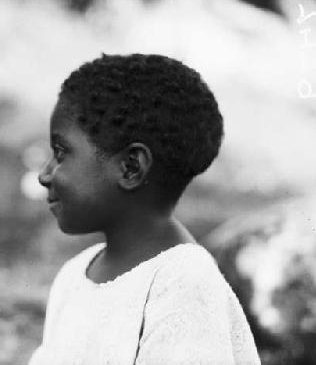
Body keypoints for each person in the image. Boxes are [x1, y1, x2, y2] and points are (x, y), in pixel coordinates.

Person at [30, 54, 261, 364]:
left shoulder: (183, 285)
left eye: (60, 153)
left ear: (130, 168)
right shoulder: (74, 275)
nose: (44, 174)